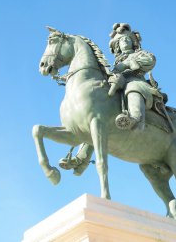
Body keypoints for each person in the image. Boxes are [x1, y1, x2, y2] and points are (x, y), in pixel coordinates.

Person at [59, 23, 163, 174]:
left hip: (136, 81)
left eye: (126, 40)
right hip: (119, 84)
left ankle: (135, 118)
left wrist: (125, 66)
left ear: (133, 41)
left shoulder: (139, 54)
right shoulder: (114, 63)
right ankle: (81, 158)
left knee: (133, 88)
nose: (124, 43)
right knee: (98, 114)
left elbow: (150, 60)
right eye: (120, 42)